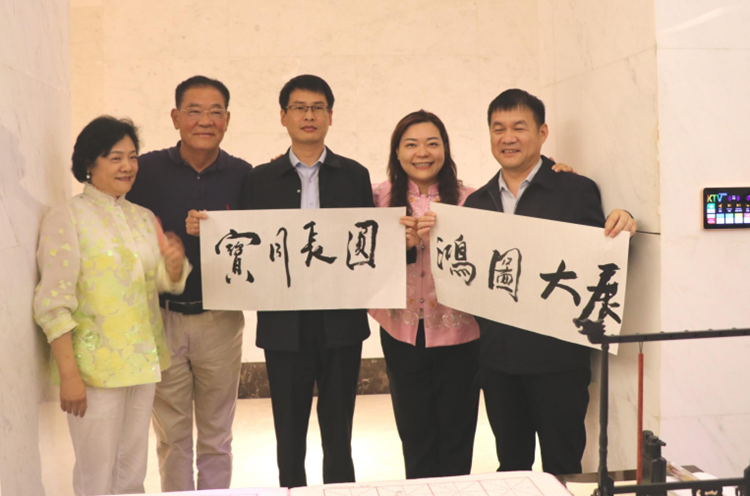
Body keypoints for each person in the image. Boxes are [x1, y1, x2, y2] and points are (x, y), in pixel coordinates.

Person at [418, 89, 636, 476]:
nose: (508, 138)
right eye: (498, 128)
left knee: (563, 466)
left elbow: (599, 259)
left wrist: (623, 219)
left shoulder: (575, 190)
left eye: (519, 127)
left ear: (542, 132)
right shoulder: (477, 204)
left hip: (559, 362)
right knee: (511, 466)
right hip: (498, 361)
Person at [33, 116, 189, 496]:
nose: (127, 166)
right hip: (93, 371)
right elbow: (52, 304)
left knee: (131, 474)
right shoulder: (66, 217)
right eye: (115, 157)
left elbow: (159, 283)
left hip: (143, 363)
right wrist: (70, 374)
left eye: (132, 157)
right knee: (96, 477)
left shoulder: (142, 217)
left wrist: (173, 266)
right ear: (90, 163)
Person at [241, 74, 373, 488]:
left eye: (317, 108)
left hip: (341, 322)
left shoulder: (355, 175)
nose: (309, 116)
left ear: (331, 115)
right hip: (284, 325)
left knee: (339, 432)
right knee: (289, 432)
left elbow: (368, 243)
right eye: (299, 108)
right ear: (283, 116)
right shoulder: (259, 179)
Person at [126, 76, 252, 492]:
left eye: (216, 112)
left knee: (217, 435)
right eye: (194, 111)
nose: (205, 121)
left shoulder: (245, 175)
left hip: (221, 319)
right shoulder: (145, 171)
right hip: (160, 318)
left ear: (227, 119)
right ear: (175, 117)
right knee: (172, 437)